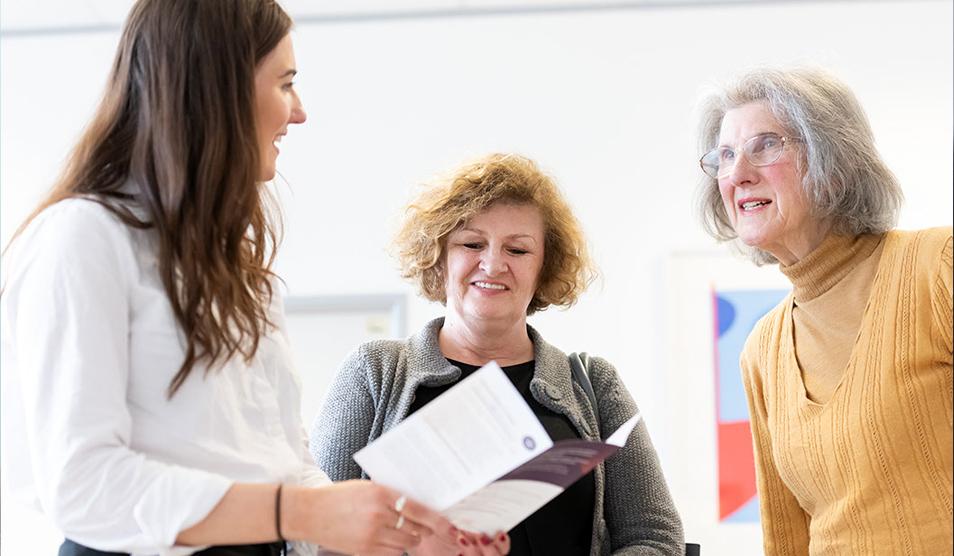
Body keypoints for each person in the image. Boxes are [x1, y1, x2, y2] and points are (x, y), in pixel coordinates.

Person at [0, 1, 466, 555]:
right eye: (285, 83)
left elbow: (286, 466)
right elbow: (82, 486)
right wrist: (304, 512)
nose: (299, 113)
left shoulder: (242, 272)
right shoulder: (82, 237)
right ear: (215, 90)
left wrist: (398, 535)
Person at [310, 153, 685, 556]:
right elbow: (313, 535)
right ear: (439, 260)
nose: (493, 264)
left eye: (518, 250)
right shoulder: (375, 372)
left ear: (544, 268)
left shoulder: (594, 383)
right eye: (472, 244)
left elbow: (656, 539)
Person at [694, 65, 953, 554]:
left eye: (766, 144)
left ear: (834, 164)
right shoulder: (762, 350)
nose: (738, 174)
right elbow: (787, 537)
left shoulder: (937, 266)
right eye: (725, 155)